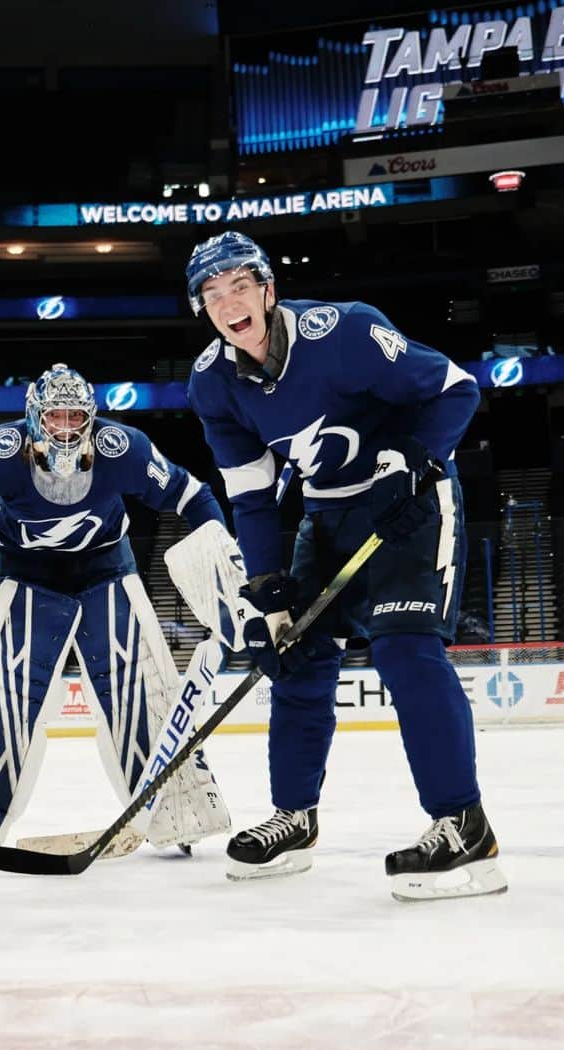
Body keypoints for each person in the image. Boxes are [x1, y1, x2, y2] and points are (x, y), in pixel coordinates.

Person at [182, 231, 507, 901]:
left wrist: (412, 465)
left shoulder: (345, 331)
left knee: (405, 651)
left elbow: (455, 389)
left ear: (269, 289)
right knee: (295, 657)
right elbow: (250, 494)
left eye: (240, 285)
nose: (228, 302)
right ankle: (293, 819)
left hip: (411, 505)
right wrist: (268, 594)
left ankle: (463, 826)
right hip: (328, 516)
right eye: (212, 295)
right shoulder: (213, 381)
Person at [0, 363, 233, 857]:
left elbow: (191, 494)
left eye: (76, 416)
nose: (66, 428)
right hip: (25, 573)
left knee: (143, 687)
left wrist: (221, 552)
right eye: (55, 417)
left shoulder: (124, 448)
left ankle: (177, 814)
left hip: (106, 569)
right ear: (34, 417)